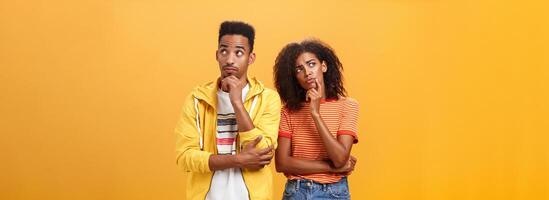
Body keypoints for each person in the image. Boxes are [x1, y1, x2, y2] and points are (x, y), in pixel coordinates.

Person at [175, 21, 281, 200]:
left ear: (251, 58)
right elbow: (185, 157)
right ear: (217, 55)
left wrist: (237, 102)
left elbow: (263, 153)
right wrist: (238, 160)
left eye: (239, 52)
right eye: (224, 51)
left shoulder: (268, 98)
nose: (230, 59)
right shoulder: (197, 99)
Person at [274, 39, 359, 200]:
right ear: (295, 77)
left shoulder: (348, 106)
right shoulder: (288, 112)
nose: (307, 72)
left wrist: (315, 114)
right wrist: (331, 168)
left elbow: (340, 158)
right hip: (297, 192)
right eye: (299, 69)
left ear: (324, 66)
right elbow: (282, 163)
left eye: (311, 64)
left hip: (334, 193)